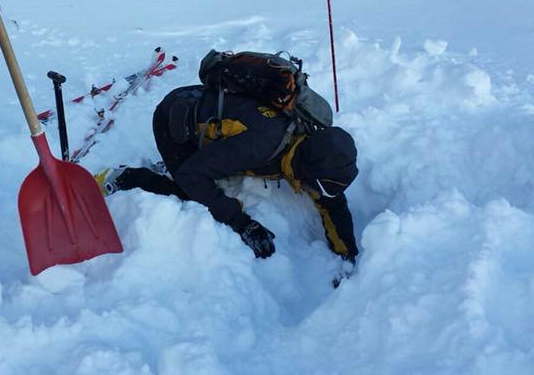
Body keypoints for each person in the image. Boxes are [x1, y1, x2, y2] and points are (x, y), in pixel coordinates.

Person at [96, 84, 359, 266]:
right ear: (306, 171)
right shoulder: (260, 146)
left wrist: (347, 255)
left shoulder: (314, 144)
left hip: (213, 113)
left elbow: (332, 201)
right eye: (314, 188)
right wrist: (242, 223)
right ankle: (128, 177)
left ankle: (202, 157)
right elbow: (192, 175)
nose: (314, 194)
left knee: (216, 166)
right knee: (190, 195)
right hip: (174, 119)